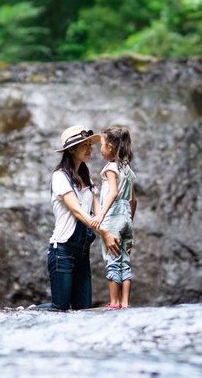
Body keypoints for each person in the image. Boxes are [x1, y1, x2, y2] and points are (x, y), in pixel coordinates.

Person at [39, 125, 121, 310]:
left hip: (83, 255)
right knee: (60, 307)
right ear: (71, 149)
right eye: (84, 145)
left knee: (83, 309)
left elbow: (98, 210)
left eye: (90, 145)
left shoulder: (85, 177)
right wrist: (104, 235)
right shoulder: (60, 177)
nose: (89, 149)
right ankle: (29, 311)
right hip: (63, 253)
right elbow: (77, 212)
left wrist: (118, 232)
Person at [89, 127, 137, 309]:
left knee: (112, 259)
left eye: (101, 145)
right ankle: (125, 303)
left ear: (110, 147)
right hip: (126, 217)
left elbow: (113, 192)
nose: (99, 149)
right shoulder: (127, 168)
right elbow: (134, 200)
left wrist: (101, 213)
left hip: (113, 216)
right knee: (125, 262)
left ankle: (115, 302)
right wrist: (129, 223)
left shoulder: (110, 167)